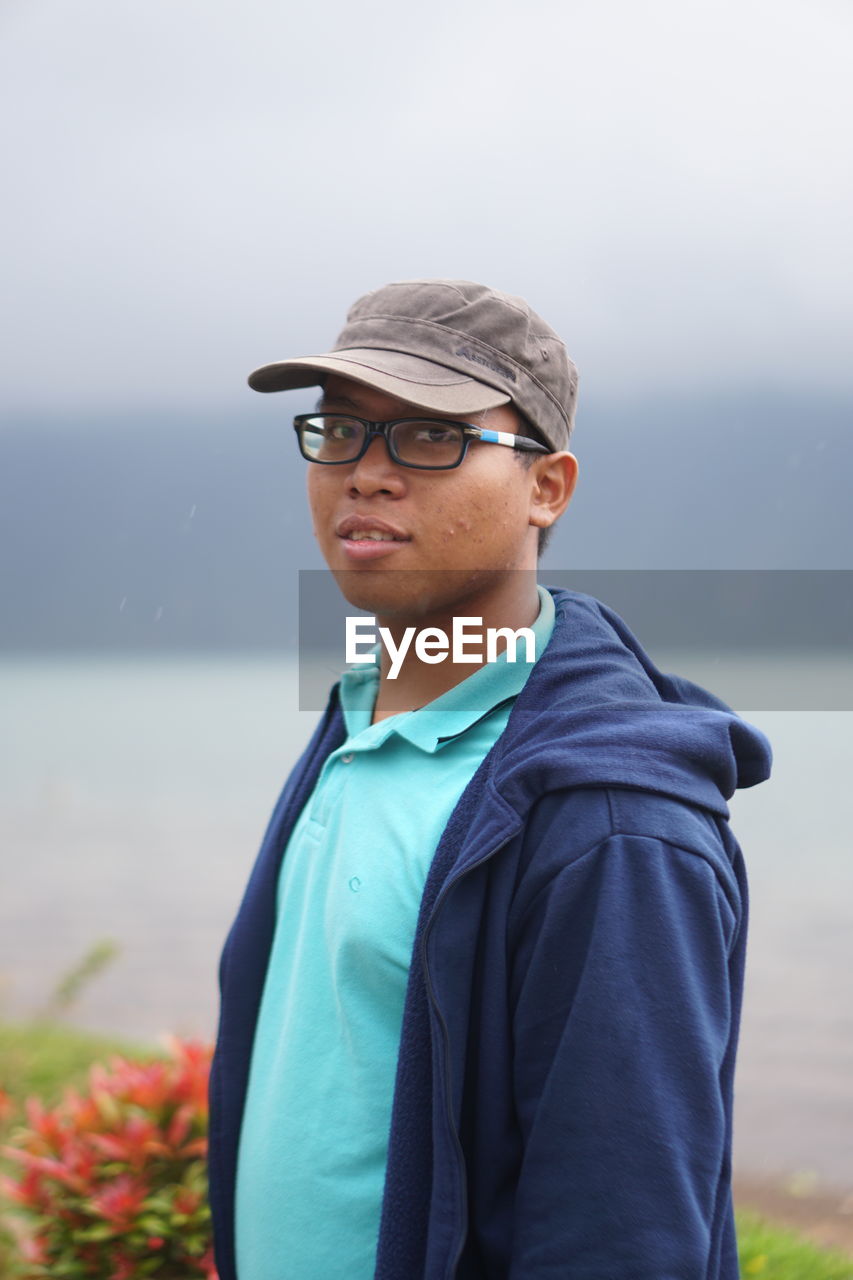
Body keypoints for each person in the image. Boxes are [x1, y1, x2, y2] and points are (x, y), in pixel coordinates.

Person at [208, 279, 772, 1279]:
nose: (366, 474)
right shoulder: (365, 711)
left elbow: (621, 1232)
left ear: (546, 487)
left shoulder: (616, 824)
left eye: (429, 437)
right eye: (340, 430)